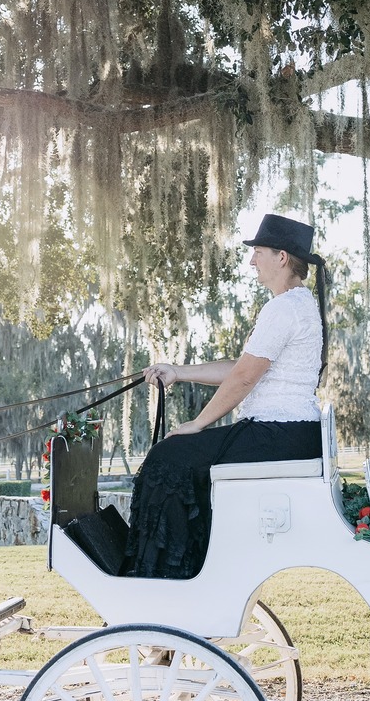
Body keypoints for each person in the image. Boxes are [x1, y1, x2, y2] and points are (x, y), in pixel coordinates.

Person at [125, 214, 329, 579]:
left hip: (278, 434)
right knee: (176, 457)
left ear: (282, 257)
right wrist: (177, 372)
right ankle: (188, 565)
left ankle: (168, 574)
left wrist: (199, 424)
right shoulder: (296, 305)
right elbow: (241, 367)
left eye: (259, 253)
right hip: (286, 432)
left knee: (167, 457)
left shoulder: (284, 307)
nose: (252, 261)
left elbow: (245, 378)